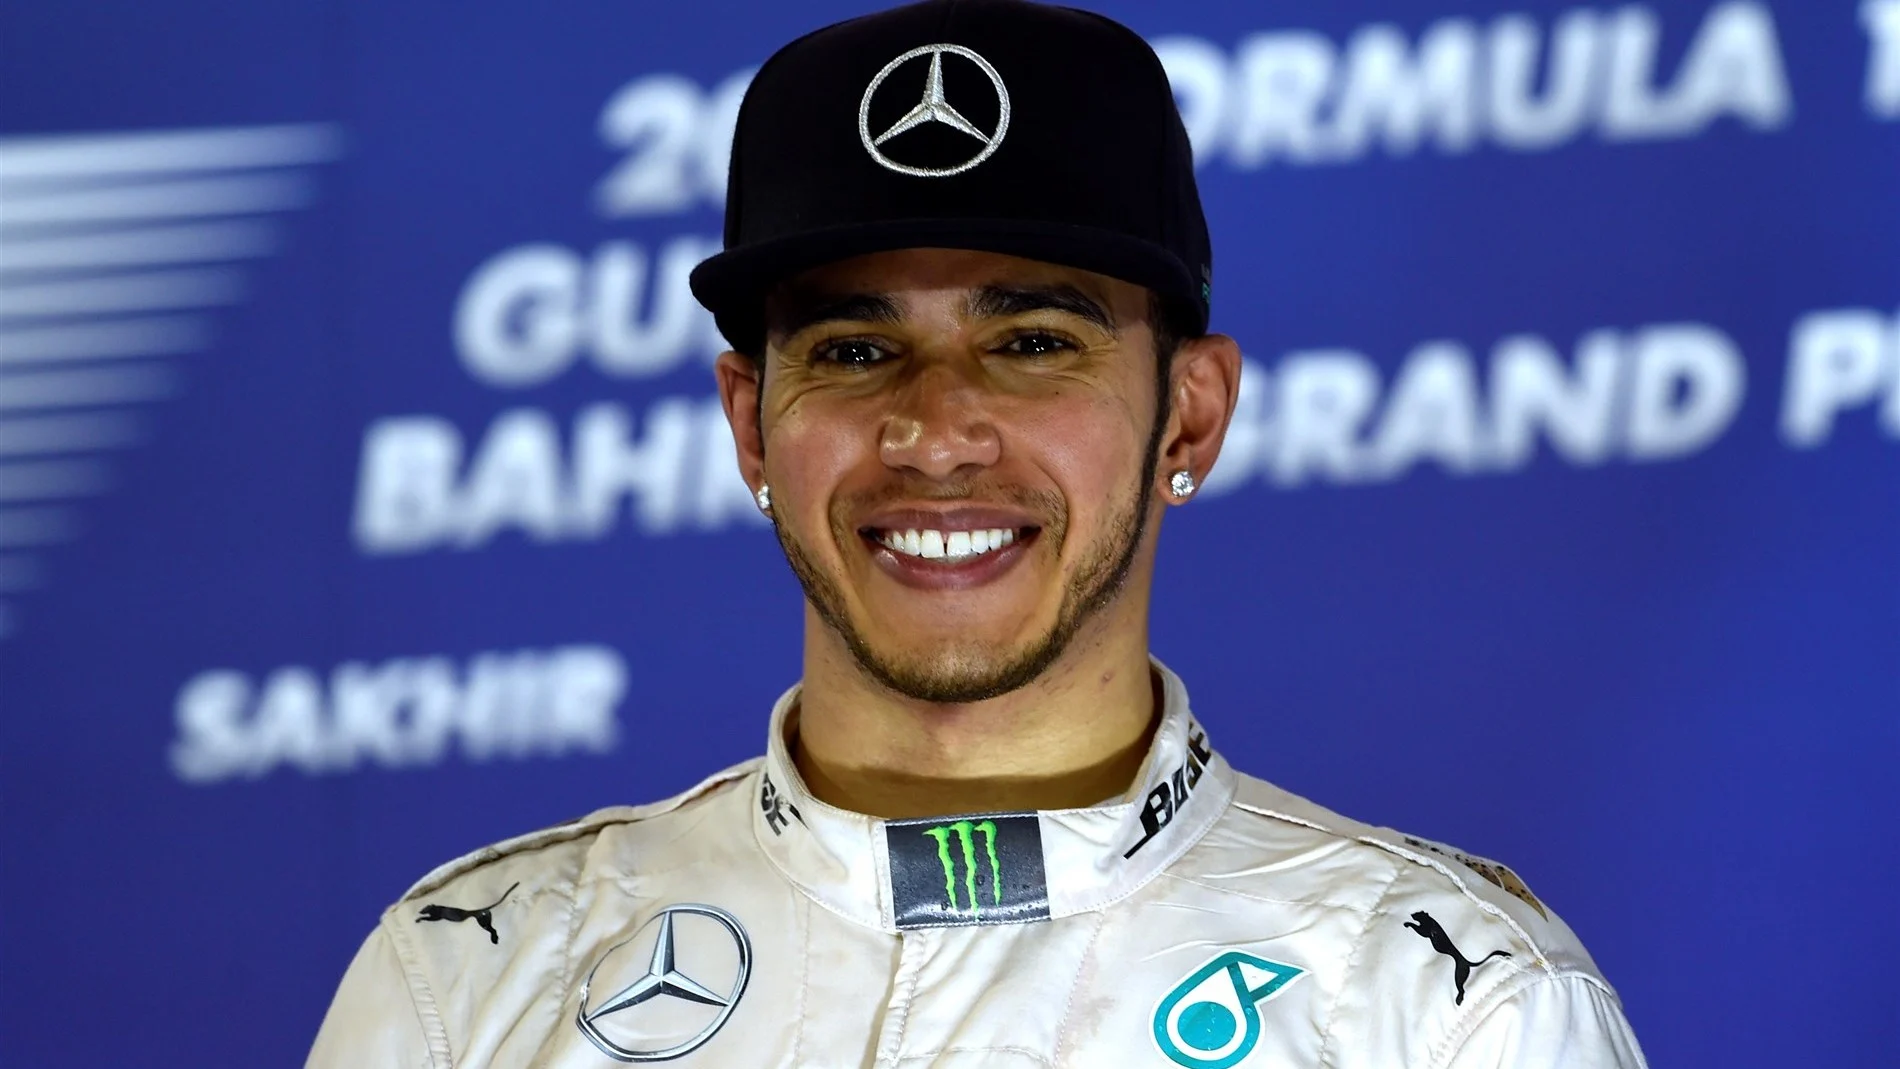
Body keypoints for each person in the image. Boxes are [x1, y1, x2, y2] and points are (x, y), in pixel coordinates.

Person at [307, 2, 1648, 1065]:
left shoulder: (1440, 1009)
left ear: (1190, 416)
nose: (935, 432)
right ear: (752, 427)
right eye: (852, 347)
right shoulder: (469, 984)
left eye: (1031, 342)